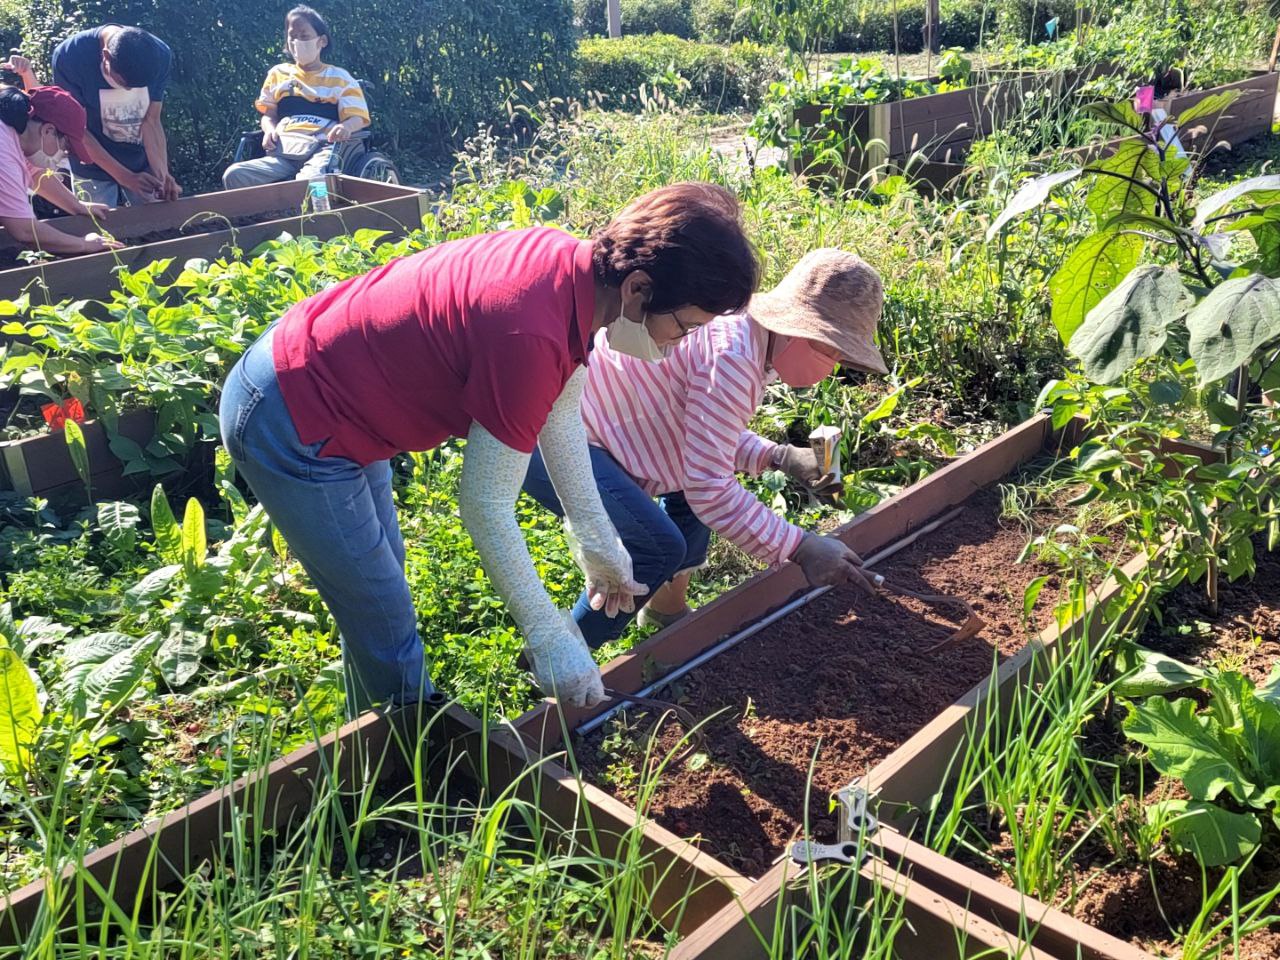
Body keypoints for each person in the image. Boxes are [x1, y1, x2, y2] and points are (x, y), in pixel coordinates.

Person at [219, 182, 758, 713]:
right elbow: (485, 504)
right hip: (294, 415)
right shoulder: (528, 332)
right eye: (684, 326)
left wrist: (595, 534)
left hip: (339, 388)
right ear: (639, 289)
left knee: (375, 585)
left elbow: (562, 404)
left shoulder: (570, 269)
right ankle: (408, 762)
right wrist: (549, 633)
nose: (678, 343)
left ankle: (371, 724)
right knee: (380, 610)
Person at [523, 249, 886, 647]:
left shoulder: (752, 340)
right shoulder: (734, 358)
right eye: (831, 350)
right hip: (563, 441)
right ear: (799, 329)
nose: (832, 366)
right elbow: (710, 489)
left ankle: (665, 611)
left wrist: (774, 455)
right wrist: (801, 547)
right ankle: (562, 659)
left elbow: (701, 431)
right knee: (655, 547)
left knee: (686, 497)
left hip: (611, 429)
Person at [223, 6, 369, 190]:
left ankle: (314, 215)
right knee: (235, 175)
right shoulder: (278, 74)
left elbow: (358, 117)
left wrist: (345, 127)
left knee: (309, 183)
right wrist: (269, 130)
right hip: (283, 150)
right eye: (292, 36)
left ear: (322, 41)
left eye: (304, 36)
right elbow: (269, 115)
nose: (297, 41)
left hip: (324, 149)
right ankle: (263, 217)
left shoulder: (341, 78)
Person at [51, 25, 180, 207]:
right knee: (100, 229)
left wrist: (162, 175)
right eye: (125, 84)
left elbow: (151, 120)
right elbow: (77, 130)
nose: (130, 91)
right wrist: (125, 177)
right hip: (90, 164)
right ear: (106, 57)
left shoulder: (159, 55)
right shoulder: (70, 57)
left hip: (140, 160)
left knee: (159, 224)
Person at [0, 85, 118, 255]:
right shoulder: (3, 147)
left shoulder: (13, 132)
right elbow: (24, 230)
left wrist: (76, 206)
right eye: (65, 147)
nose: (64, 155)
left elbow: (34, 172)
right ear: (48, 131)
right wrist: (84, 244)